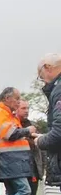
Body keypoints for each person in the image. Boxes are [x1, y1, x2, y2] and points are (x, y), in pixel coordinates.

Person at [15, 100, 43, 195]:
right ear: (16, 109)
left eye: (28, 108)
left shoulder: (33, 126)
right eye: (23, 108)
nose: (26, 110)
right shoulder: (13, 126)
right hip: (17, 166)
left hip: (32, 167)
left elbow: (40, 148)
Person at [34, 53, 61, 186]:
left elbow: (59, 133)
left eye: (41, 76)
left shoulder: (59, 91)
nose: (43, 81)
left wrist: (41, 140)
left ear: (48, 67)